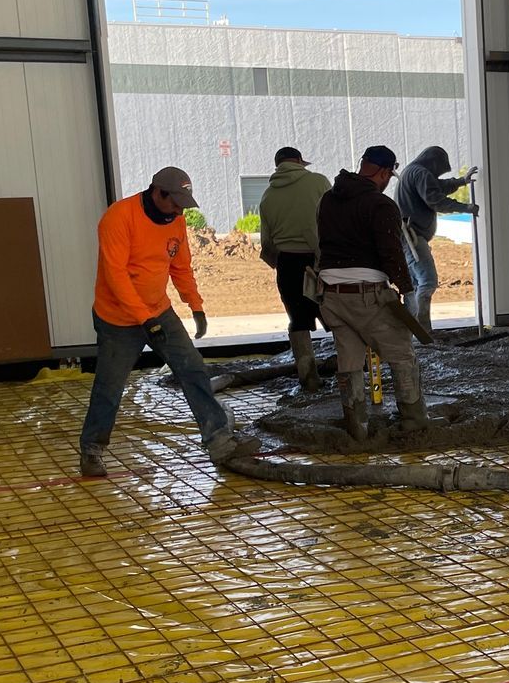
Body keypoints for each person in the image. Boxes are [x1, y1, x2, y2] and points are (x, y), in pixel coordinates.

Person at [78, 166, 248, 478]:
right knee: (110, 386)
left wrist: (195, 305)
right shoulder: (119, 217)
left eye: (184, 205)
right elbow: (115, 276)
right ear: (158, 193)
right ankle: (92, 449)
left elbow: (180, 266)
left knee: (193, 368)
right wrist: (144, 319)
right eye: (175, 203)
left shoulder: (176, 220)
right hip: (118, 319)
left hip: (158, 310)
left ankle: (218, 439)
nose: (179, 210)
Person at [315, 145, 425, 442]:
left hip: (330, 297)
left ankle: (356, 426)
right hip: (367, 295)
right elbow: (391, 254)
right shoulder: (381, 205)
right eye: (389, 174)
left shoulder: (328, 199)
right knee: (401, 353)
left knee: (349, 359)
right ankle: (414, 423)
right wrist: (408, 291)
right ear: (384, 172)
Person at [257, 145, 333, 390]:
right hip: (322, 260)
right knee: (339, 317)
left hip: (288, 264)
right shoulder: (319, 182)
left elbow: (267, 242)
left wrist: (280, 263)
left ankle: (308, 377)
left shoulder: (268, 196)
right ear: (300, 161)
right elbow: (336, 218)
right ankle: (351, 372)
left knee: (298, 321)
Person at [393, 145, 478, 333]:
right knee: (427, 281)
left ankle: (413, 332)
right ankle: (423, 331)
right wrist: (465, 207)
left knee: (415, 285)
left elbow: (437, 187)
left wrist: (461, 181)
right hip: (412, 236)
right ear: (434, 163)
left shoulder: (414, 172)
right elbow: (436, 200)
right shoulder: (420, 173)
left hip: (408, 235)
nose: (438, 174)